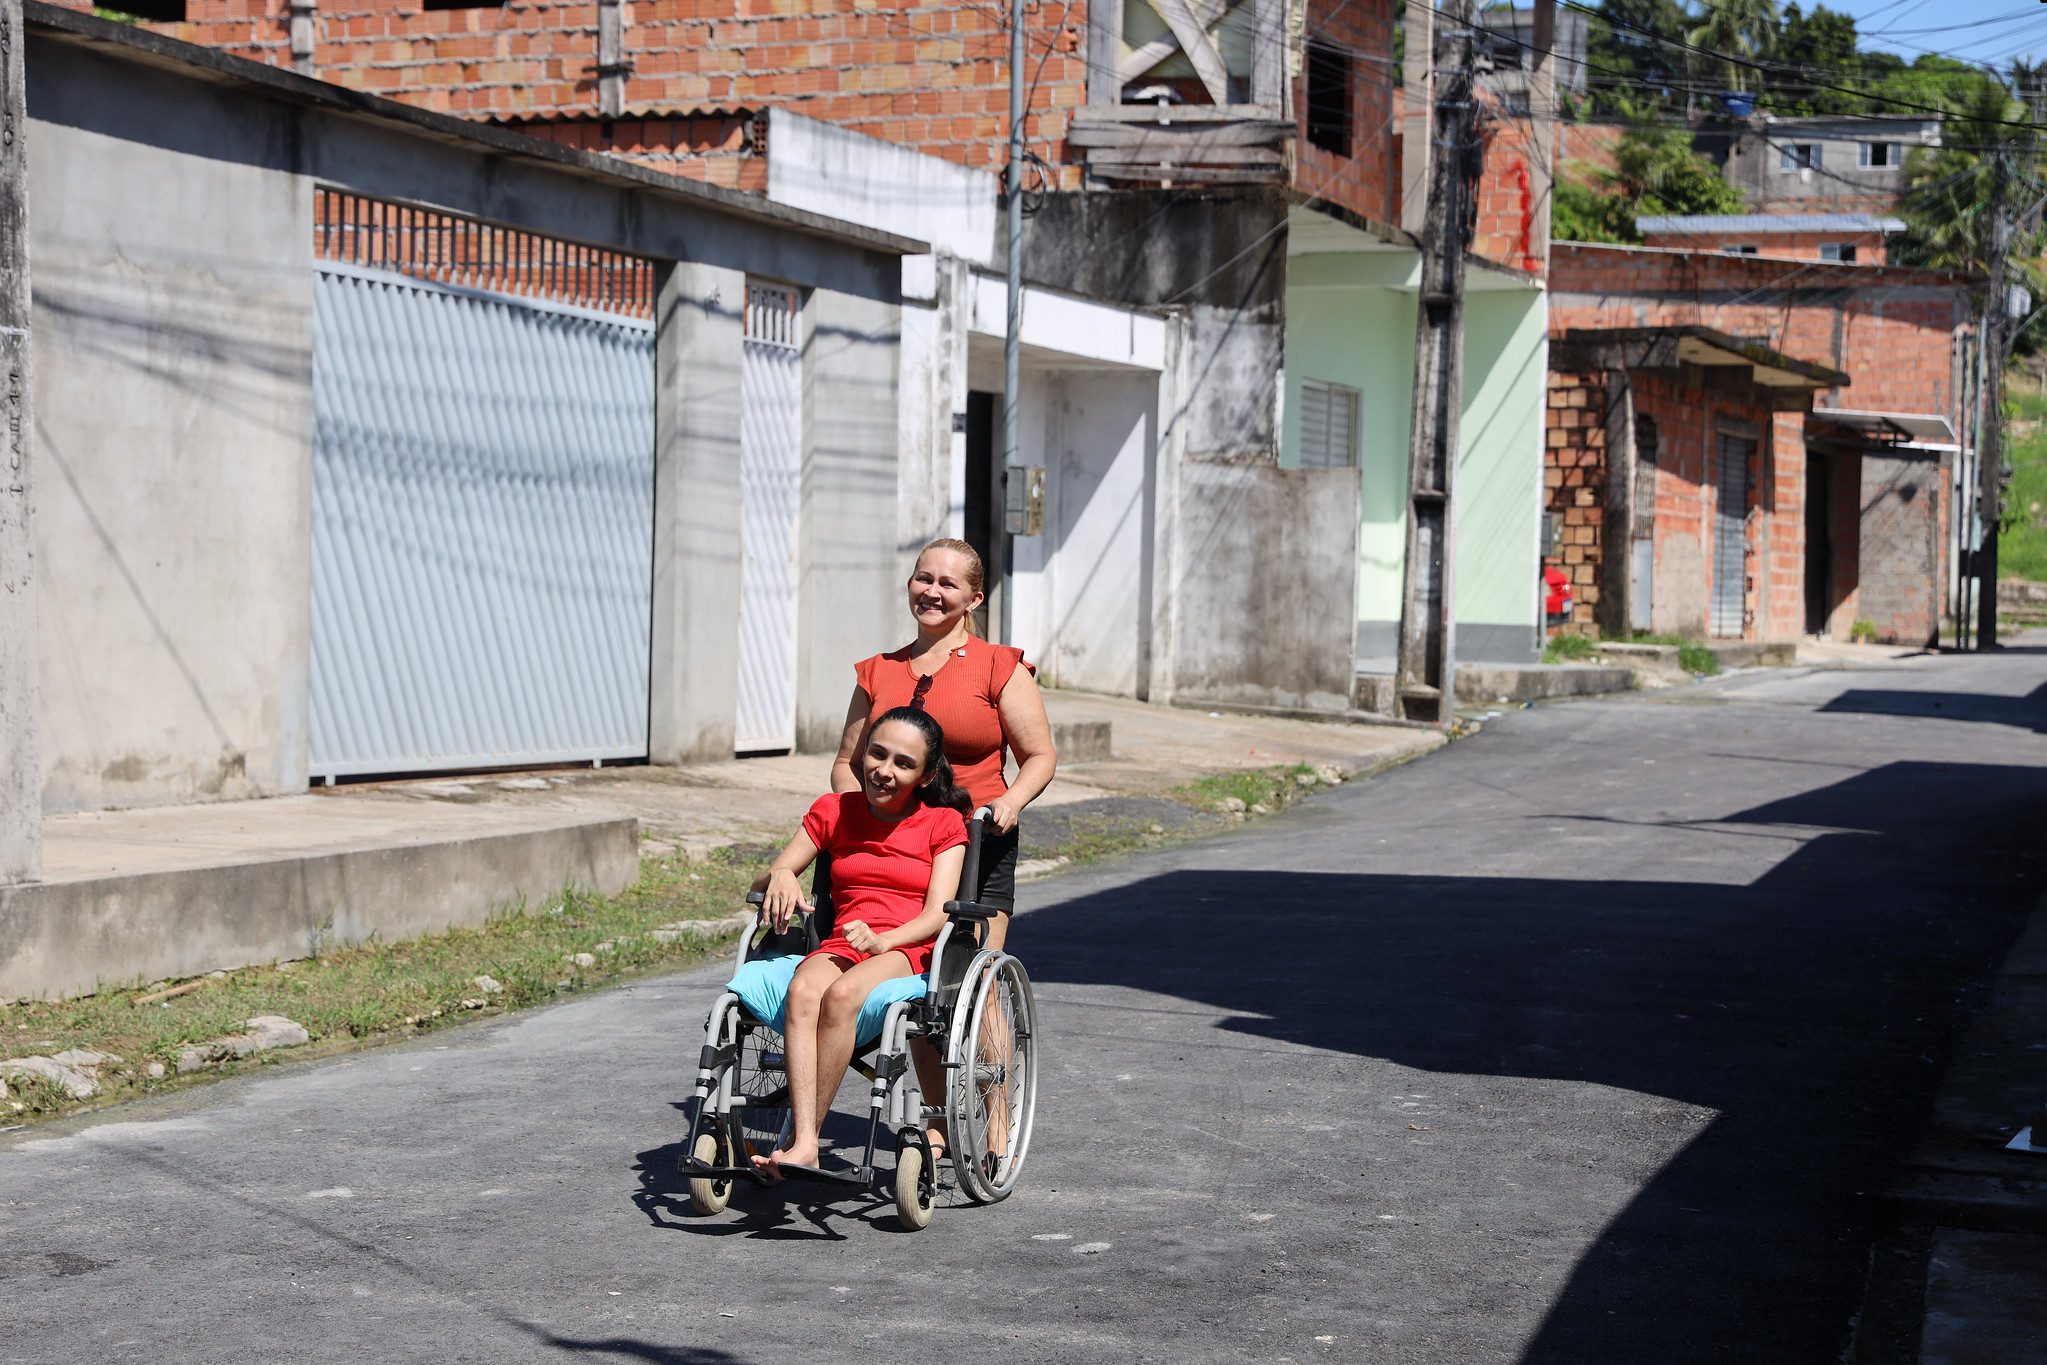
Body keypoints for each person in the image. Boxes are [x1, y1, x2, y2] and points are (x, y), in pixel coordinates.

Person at [747, 707, 971, 1179]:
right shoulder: (833, 810)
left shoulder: (944, 824)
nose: (885, 772)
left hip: (906, 946)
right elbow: (769, 874)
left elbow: (937, 915)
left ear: (927, 775)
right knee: (804, 990)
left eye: (904, 764)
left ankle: (801, 1139)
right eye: (877, 754)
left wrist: (884, 939)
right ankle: (806, 1141)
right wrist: (784, 874)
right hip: (845, 940)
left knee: (844, 995)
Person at [831, 537, 1057, 954]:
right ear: (910, 584)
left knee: (977, 968)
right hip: (890, 847)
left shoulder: (999, 667)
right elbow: (848, 763)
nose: (932, 592)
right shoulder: (877, 672)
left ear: (974, 599)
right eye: (924, 579)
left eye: (948, 584)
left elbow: (1040, 757)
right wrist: (858, 813)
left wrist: (1012, 801)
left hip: (976, 837)